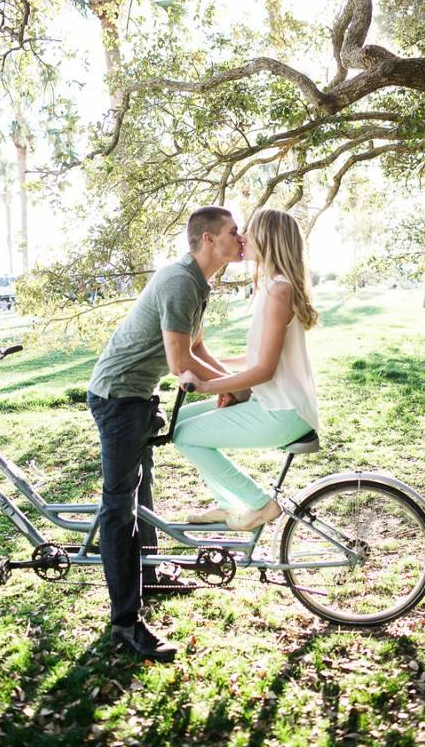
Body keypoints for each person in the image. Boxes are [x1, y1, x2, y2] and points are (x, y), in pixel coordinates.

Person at [87, 206, 245, 661]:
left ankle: (150, 574)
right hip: (118, 397)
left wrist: (233, 384)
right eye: (235, 232)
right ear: (210, 239)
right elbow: (180, 365)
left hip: (137, 396)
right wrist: (229, 387)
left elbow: (196, 346)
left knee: (142, 489)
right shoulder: (180, 280)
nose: (242, 239)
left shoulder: (198, 281)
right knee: (119, 507)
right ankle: (125, 622)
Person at [175, 208, 319, 531]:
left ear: (267, 240)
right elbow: (255, 360)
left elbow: (264, 371)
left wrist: (207, 385)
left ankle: (259, 504)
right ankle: (229, 503)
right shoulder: (273, 286)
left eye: (249, 232)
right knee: (178, 423)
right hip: (275, 405)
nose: (242, 238)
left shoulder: (279, 291)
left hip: (284, 411)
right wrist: (217, 372)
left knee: (184, 435)